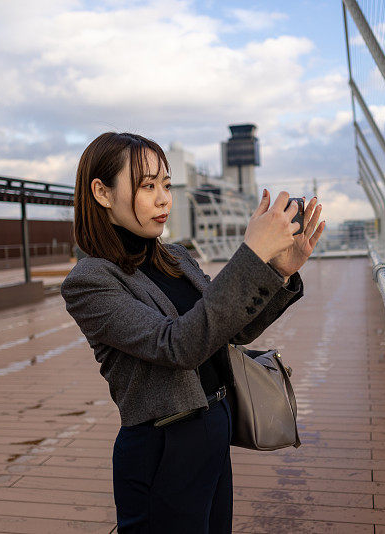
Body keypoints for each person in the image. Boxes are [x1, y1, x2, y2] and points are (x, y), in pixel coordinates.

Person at [60, 132, 325, 533]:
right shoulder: (91, 280)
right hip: (163, 445)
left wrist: (280, 269)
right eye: (147, 186)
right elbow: (177, 345)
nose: (164, 198)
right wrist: (251, 255)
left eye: (166, 185)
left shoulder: (176, 258)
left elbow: (232, 329)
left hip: (215, 426)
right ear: (101, 192)